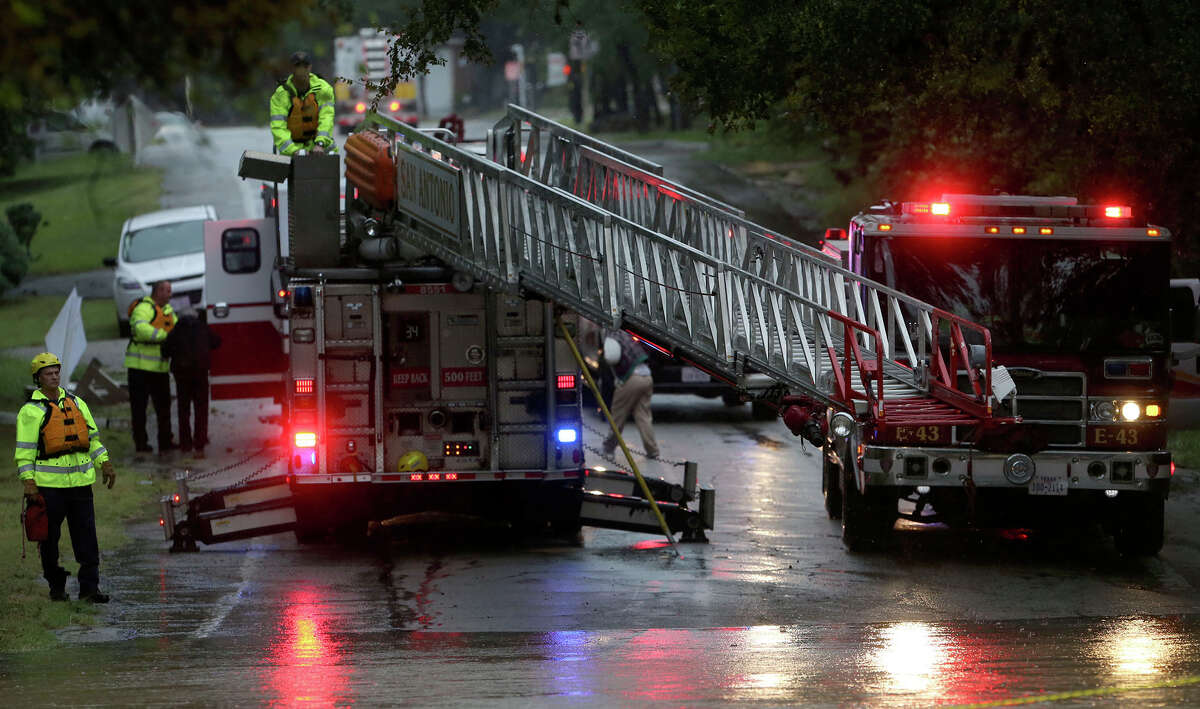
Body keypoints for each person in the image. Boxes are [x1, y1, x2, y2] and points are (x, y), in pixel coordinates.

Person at [17, 353, 116, 603]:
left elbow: (92, 439)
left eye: (56, 372)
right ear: (38, 378)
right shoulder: (30, 411)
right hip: (49, 489)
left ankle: (89, 589)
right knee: (49, 541)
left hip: (81, 485)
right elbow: (25, 452)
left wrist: (104, 463)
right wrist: (29, 481)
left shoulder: (77, 403)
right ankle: (56, 586)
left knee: (87, 538)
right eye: (48, 373)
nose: (54, 376)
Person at [126, 280, 177, 457]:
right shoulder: (144, 308)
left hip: (160, 370)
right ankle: (141, 444)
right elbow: (140, 329)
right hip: (139, 369)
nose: (170, 294)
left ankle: (165, 442)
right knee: (139, 408)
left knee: (164, 408)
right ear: (157, 292)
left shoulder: (169, 312)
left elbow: (178, 333)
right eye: (167, 291)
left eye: (170, 291)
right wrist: (165, 337)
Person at [164, 306, 221, 459]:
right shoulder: (202, 328)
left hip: (181, 375)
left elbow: (165, 350)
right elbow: (217, 341)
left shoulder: (176, 330)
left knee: (184, 409)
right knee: (201, 409)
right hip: (200, 373)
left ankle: (185, 444)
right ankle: (200, 444)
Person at [601, 330, 659, 459]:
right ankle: (652, 450)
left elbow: (611, 357)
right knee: (643, 415)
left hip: (631, 378)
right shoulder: (626, 332)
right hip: (647, 376)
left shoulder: (612, 335)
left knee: (618, 415)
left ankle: (608, 449)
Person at [270, 51, 338, 156]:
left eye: (305, 66)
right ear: (291, 68)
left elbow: (327, 118)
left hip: (320, 150)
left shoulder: (323, 89)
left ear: (310, 67)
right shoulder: (281, 95)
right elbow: (278, 127)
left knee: (329, 162)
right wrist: (294, 150)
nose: (301, 70)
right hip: (292, 152)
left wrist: (320, 143)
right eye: (297, 66)